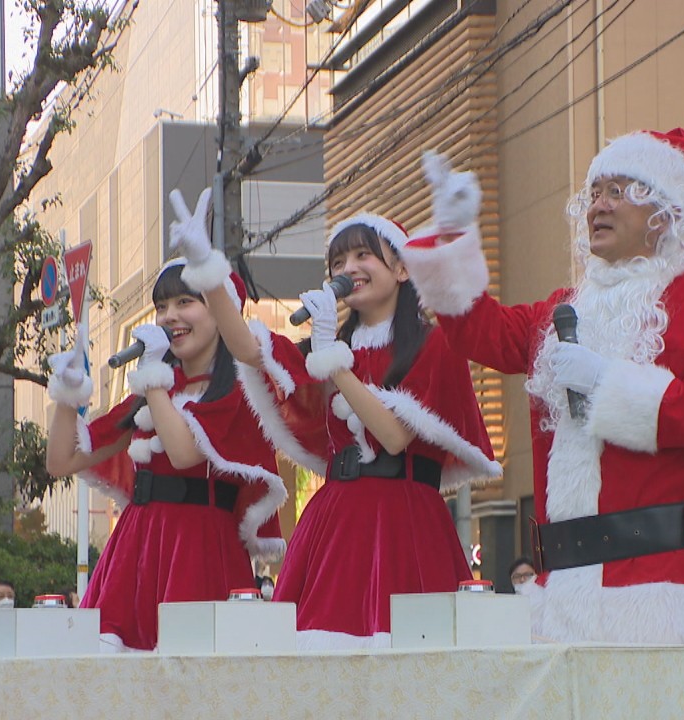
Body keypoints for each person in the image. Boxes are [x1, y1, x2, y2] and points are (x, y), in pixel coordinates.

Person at [399, 131, 684, 720]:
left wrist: (606, 381)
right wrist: (453, 238)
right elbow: (481, 331)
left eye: (618, 191)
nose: (598, 205)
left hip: (660, 586)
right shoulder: (557, 311)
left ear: (665, 211)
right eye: (594, 192)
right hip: (562, 589)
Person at [167, 189, 501, 649]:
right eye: (339, 262)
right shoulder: (327, 346)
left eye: (364, 255)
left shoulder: (432, 344)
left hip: (405, 521)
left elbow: (393, 436)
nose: (348, 270)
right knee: (318, 659)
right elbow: (248, 348)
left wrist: (332, 360)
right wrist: (206, 270)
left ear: (403, 269)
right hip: (334, 522)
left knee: (409, 659)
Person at [44, 259, 288, 652]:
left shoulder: (242, 388)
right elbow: (61, 462)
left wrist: (155, 376)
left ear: (221, 308)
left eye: (185, 302)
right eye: (162, 306)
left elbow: (183, 454)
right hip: (135, 548)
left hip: (202, 548)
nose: (169, 316)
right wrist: (66, 396)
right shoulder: (152, 390)